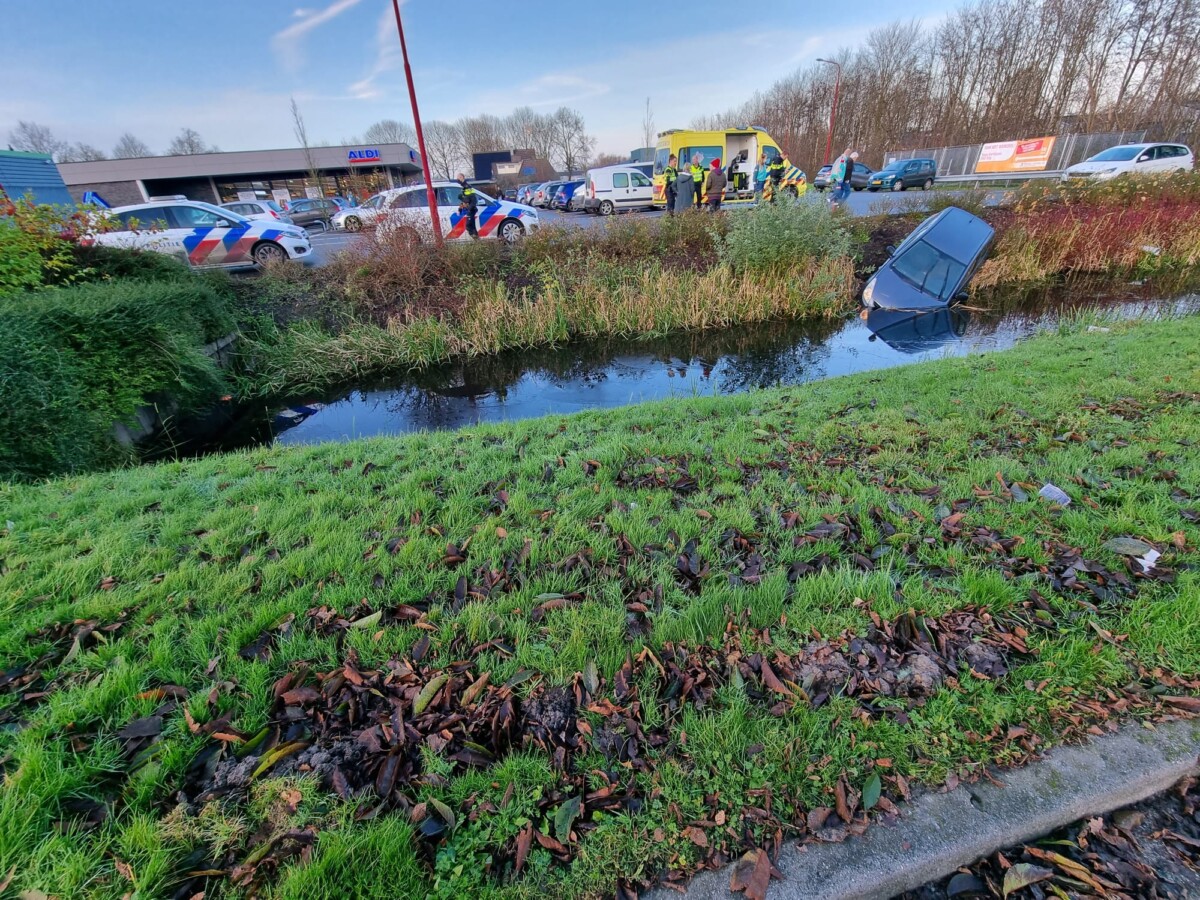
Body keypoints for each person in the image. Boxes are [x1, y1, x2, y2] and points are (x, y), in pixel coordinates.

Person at [456, 172, 479, 239]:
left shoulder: (467, 186)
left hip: (471, 209)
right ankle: (477, 240)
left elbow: (473, 199)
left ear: (463, 177)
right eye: (457, 178)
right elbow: (464, 200)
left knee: (468, 226)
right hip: (469, 209)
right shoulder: (463, 187)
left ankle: (476, 239)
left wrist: (469, 208)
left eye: (459, 178)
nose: (458, 179)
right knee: (472, 226)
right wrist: (460, 209)